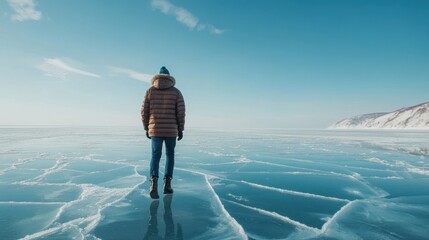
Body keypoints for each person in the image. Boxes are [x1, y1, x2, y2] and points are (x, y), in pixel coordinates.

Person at [141, 66, 185, 199]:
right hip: (171, 130)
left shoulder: (150, 91)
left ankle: (153, 185)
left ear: (157, 77)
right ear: (169, 78)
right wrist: (180, 129)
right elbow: (181, 113)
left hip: (155, 129)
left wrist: (146, 128)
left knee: (155, 156)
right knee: (170, 155)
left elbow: (144, 112)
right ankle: (167, 185)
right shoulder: (176, 92)